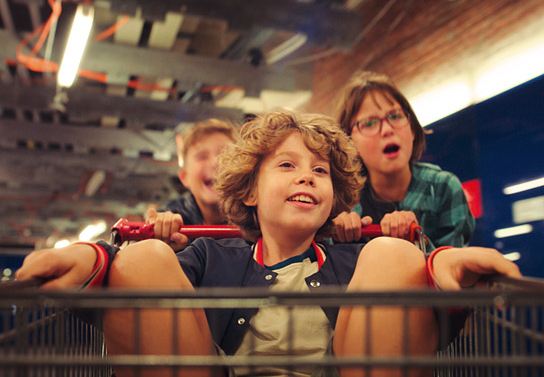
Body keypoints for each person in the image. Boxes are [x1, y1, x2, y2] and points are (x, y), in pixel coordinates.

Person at [16, 110, 521, 377]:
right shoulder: (209, 254)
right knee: (146, 255)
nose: (307, 177)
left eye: (319, 171)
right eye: (287, 165)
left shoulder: (357, 256)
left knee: (393, 252)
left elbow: (418, 287)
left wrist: (443, 262)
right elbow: (133, 295)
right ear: (250, 192)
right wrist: (92, 256)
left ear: (334, 195)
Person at [333, 71, 475, 250]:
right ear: (350, 144)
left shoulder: (443, 187)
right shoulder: (341, 203)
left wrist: (414, 239)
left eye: (395, 116)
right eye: (369, 123)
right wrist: (335, 238)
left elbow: (454, 270)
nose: (387, 130)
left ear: (413, 129)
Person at [147, 118, 236, 251]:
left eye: (225, 154)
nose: (216, 162)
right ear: (185, 177)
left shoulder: (259, 218)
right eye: (202, 156)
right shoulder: (173, 218)